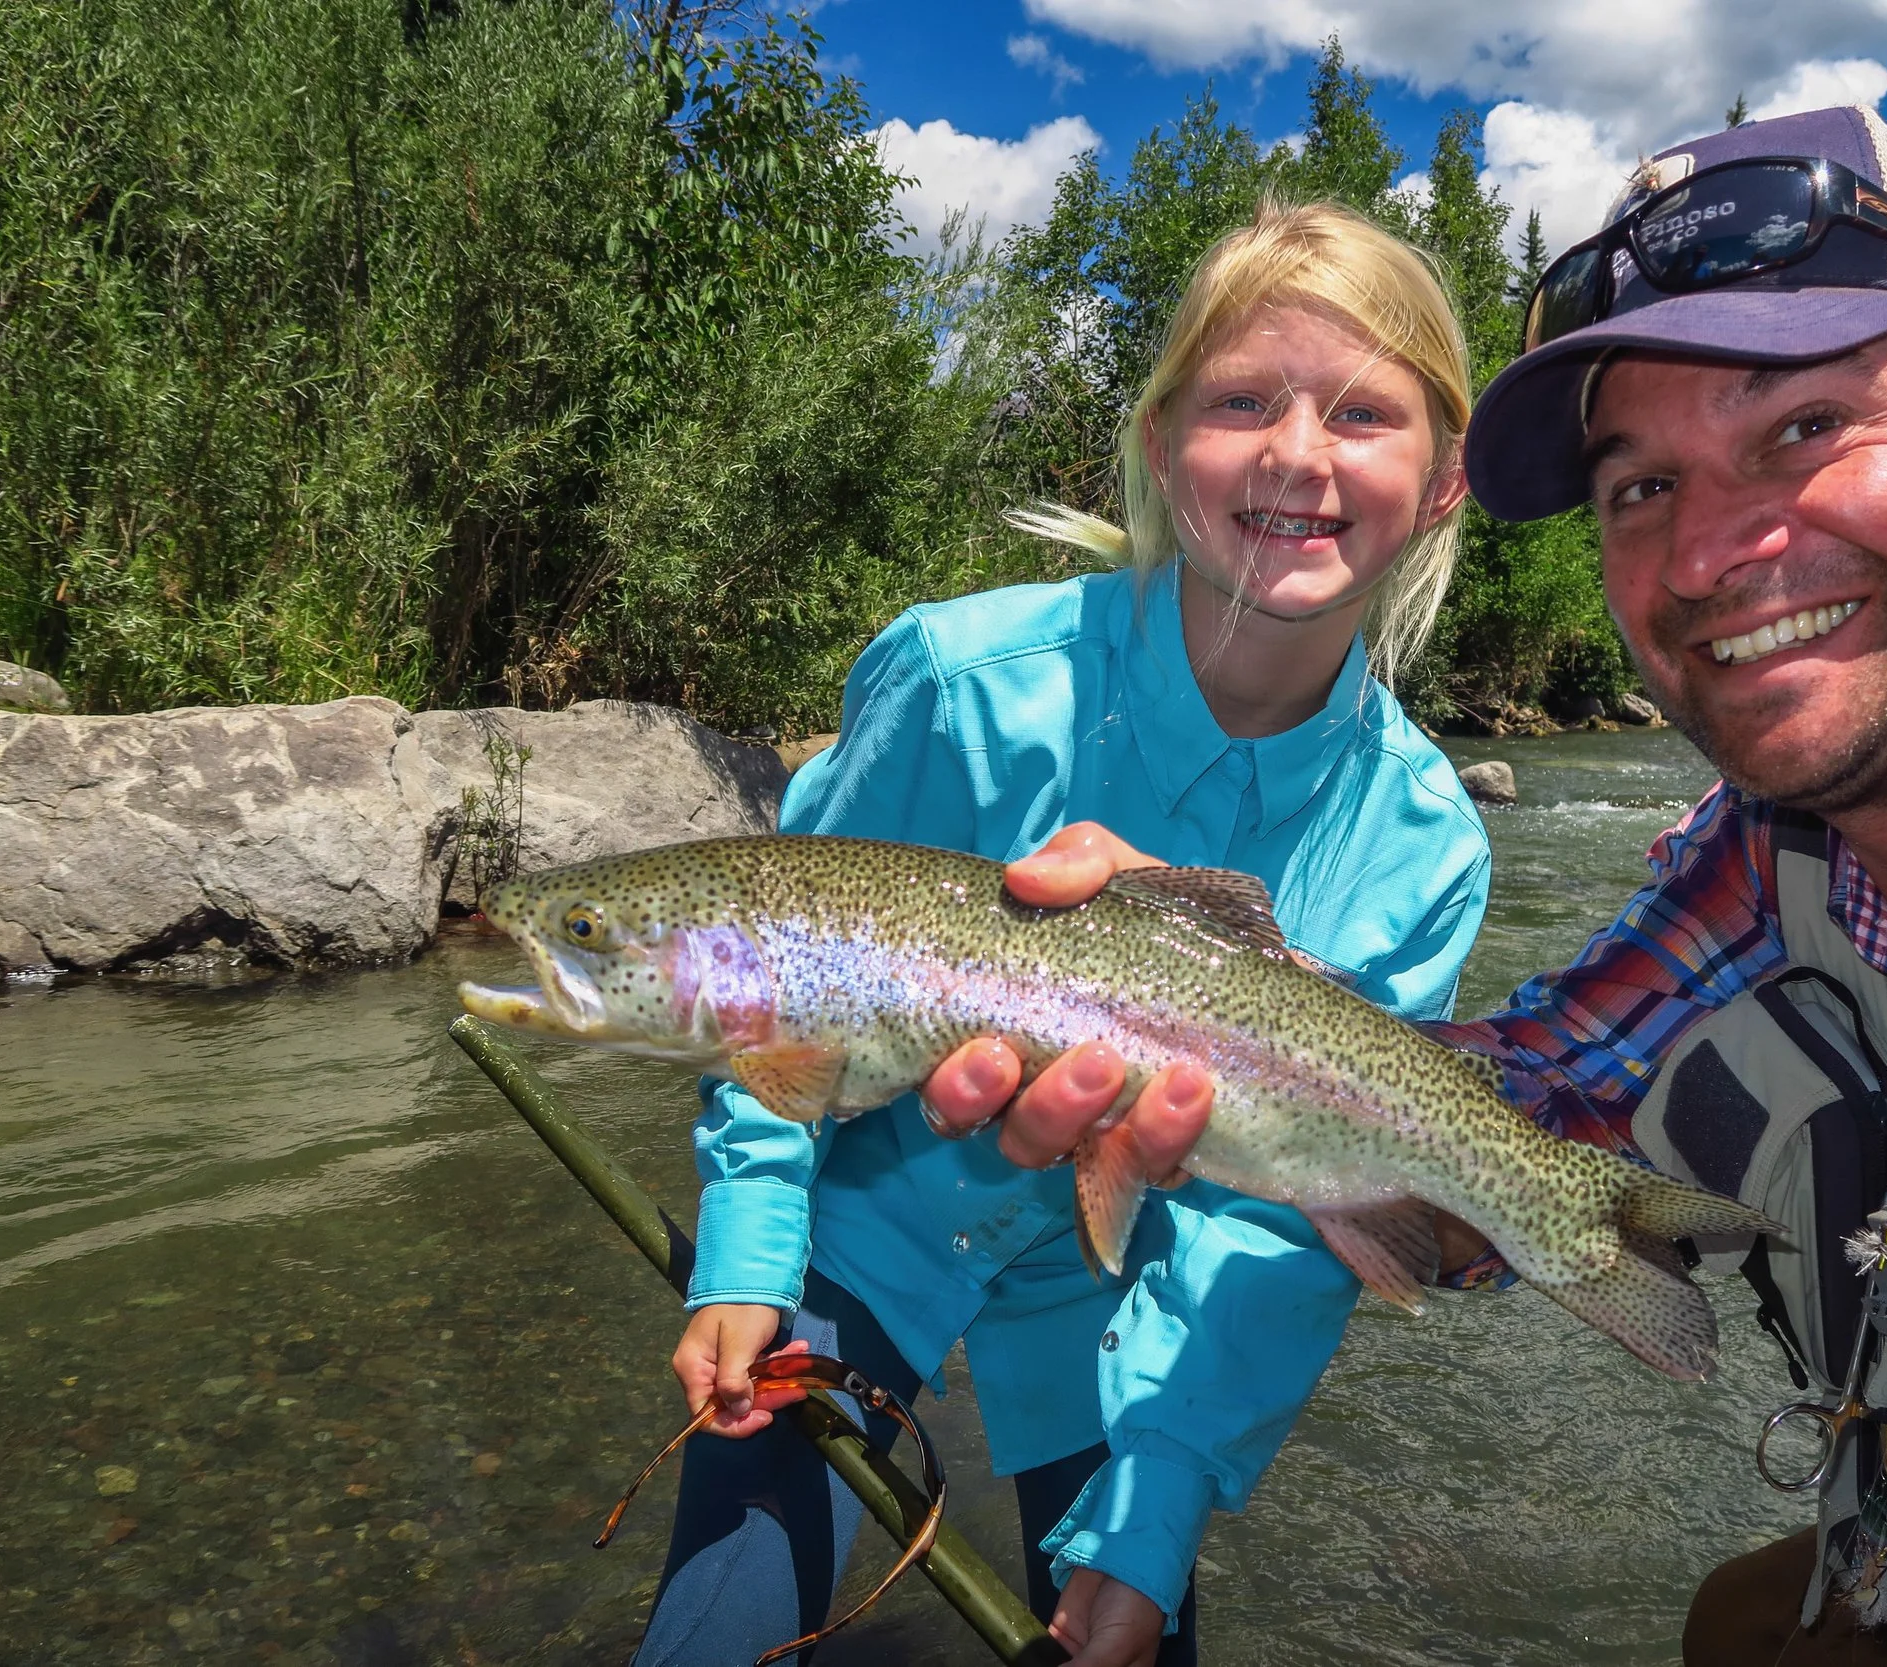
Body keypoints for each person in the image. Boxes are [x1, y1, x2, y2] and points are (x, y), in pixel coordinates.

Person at [913, 106, 1887, 1665]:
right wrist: (1200, 1004)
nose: (1711, 549)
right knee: (1743, 1626)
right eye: (1639, 484)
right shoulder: (1777, 844)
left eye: (1805, 428)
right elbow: (1522, 1100)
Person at [632, 198, 1492, 1667]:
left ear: (1446, 483)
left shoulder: (1425, 846)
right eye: (1241, 401)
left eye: (1362, 412)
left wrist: (1152, 1509)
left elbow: (1271, 1238)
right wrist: (750, 1245)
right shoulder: (958, 680)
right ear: (1162, 446)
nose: (1298, 452)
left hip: (1123, 1306)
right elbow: (769, 960)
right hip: (861, 1228)